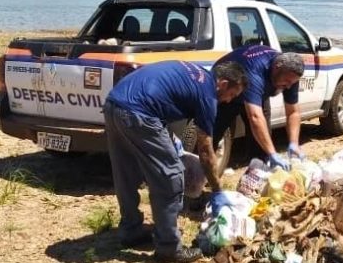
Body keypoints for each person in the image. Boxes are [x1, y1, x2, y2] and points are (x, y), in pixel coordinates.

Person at [104, 60, 248, 262]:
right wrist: (217, 190)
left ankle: (130, 230)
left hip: (114, 103)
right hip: (140, 113)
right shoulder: (208, 95)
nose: (227, 101)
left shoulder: (197, 74)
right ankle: (169, 249)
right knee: (171, 177)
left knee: (125, 173)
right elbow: (205, 150)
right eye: (231, 95)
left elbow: (164, 96)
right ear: (223, 84)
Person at [213, 45, 305, 171]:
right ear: (276, 68)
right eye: (287, 81)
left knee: (262, 143)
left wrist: (294, 143)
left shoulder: (291, 75)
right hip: (228, 91)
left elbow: (293, 112)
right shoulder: (255, 69)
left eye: (292, 83)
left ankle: (256, 179)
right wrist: (273, 153)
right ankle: (199, 176)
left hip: (259, 94)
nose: (289, 86)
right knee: (213, 133)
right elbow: (255, 117)